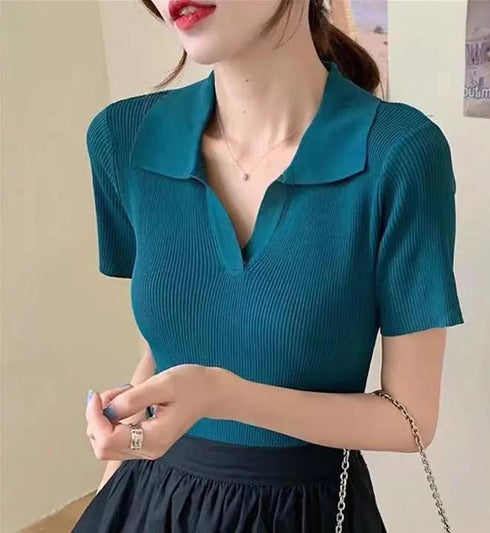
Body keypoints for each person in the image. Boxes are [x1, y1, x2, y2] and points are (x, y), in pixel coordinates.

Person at [73, 1, 465, 532]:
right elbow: (165, 346)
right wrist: (122, 456)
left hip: (302, 512)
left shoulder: (399, 153)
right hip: (150, 501)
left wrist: (222, 396)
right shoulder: (124, 138)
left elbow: (410, 419)